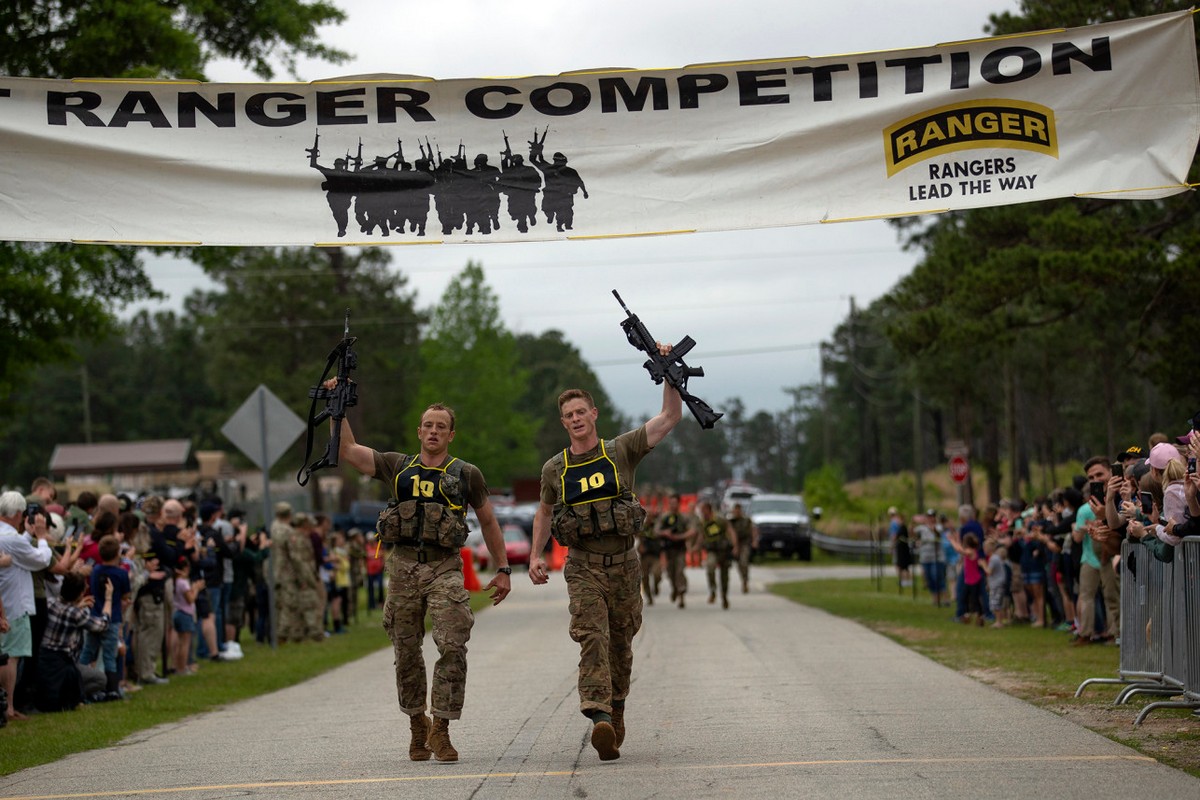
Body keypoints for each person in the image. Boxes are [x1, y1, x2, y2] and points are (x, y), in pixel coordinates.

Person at [328, 387, 512, 763]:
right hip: (403, 568)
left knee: (453, 644)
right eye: (427, 425)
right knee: (406, 652)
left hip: (444, 567)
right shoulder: (397, 466)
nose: (433, 431)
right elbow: (349, 451)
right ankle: (417, 726)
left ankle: (441, 729)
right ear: (419, 431)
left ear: (450, 435)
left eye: (440, 427)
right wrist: (338, 408)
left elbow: (489, 520)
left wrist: (503, 568)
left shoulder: (466, 474)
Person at [528, 370, 683, 762]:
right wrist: (535, 555)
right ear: (563, 423)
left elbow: (668, 418)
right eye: (569, 415)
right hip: (583, 566)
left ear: (594, 414)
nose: (576, 419)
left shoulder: (621, 450)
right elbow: (544, 512)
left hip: (624, 565)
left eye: (582, 411)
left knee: (621, 645)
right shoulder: (555, 469)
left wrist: (669, 375)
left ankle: (615, 712)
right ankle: (598, 714)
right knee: (591, 635)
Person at [0, 491, 53, 721]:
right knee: (11, 656)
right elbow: (41, 559)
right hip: (15, 604)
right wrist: (41, 537)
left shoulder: (7, 535)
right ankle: (8, 706)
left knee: (8, 654)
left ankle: (7, 705)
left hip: (6, 601)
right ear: (20, 513)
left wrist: (27, 534)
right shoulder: (10, 538)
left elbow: (17, 550)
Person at [37, 572, 112, 711]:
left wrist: (77, 605)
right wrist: (108, 599)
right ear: (80, 593)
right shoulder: (76, 614)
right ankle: (77, 697)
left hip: (43, 660)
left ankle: (71, 697)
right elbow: (102, 625)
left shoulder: (50, 603)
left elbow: (64, 611)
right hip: (63, 663)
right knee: (100, 679)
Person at [79, 535, 131, 700]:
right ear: (118, 552)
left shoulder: (95, 571)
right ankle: (112, 689)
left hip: (94, 615)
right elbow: (126, 594)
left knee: (88, 651)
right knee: (109, 654)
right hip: (113, 617)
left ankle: (78, 679)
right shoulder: (121, 573)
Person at [270, 504, 325, 644]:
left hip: (277, 572)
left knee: (287, 605)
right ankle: (286, 634)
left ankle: (292, 634)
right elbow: (297, 558)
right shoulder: (289, 532)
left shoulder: (274, 528)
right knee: (292, 604)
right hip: (290, 573)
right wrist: (306, 577)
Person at [697, 501, 736, 609]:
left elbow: (731, 531)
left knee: (724, 576)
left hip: (724, 551)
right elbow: (701, 536)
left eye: (703, 511)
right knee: (710, 566)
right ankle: (713, 590)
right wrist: (697, 548)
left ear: (709, 510)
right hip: (712, 551)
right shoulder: (703, 523)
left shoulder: (720, 520)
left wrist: (735, 546)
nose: (702, 513)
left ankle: (724, 597)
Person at [656, 494, 691, 608]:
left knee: (679, 571)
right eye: (671, 503)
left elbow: (692, 530)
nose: (673, 506)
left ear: (679, 504)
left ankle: (681, 597)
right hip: (668, 550)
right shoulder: (664, 517)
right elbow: (656, 530)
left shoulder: (683, 518)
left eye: (675, 503)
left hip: (680, 549)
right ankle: (675, 589)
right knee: (670, 573)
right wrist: (664, 533)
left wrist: (680, 536)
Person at [729, 502, 757, 594]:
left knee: (744, 562)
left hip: (745, 544)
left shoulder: (747, 520)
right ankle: (743, 579)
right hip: (735, 545)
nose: (737, 512)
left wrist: (754, 541)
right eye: (735, 510)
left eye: (738, 510)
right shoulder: (731, 521)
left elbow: (753, 530)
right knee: (739, 565)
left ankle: (745, 581)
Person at [637, 509, 662, 605]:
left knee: (657, 574)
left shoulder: (657, 526)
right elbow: (637, 536)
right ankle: (649, 597)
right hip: (645, 555)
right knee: (645, 577)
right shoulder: (642, 527)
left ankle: (656, 585)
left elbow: (659, 533)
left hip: (655, 555)